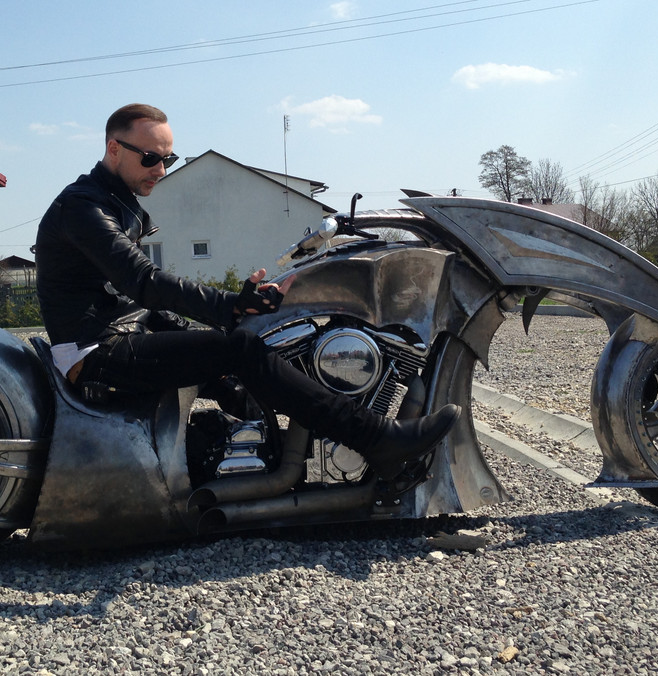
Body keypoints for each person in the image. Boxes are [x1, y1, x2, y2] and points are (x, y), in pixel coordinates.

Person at [34, 103, 459, 480]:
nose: (160, 170)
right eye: (150, 158)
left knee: (248, 352)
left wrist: (224, 325)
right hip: (96, 352)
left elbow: (133, 303)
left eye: (168, 158)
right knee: (241, 350)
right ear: (114, 149)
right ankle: (376, 439)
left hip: (123, 339)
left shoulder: (114, 202)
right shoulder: (84, 207)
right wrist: (229, 308)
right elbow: (142, 283)